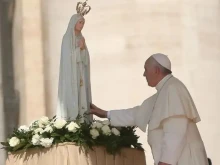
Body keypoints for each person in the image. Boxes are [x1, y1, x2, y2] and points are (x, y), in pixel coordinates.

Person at [90, 53, 209, 165]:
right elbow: (137, 113)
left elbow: (175, 132)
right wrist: (106, 114)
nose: (144, 74)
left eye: (145, 70)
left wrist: (165, 162)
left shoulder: (173, 89)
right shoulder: (165, 91)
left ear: (156, 71)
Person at [56, 1, 92, 122]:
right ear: (74, 23)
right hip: (71, 74)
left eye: (83, 23)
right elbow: (68, 57)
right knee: (72, 96)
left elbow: (86, 58)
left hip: (80, 73)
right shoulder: (67, 38)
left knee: (81, 96)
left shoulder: (81, 38)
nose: (82, 25)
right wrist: (79, 49)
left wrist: (82, 49)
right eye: (80, 22)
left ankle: (82, 120)